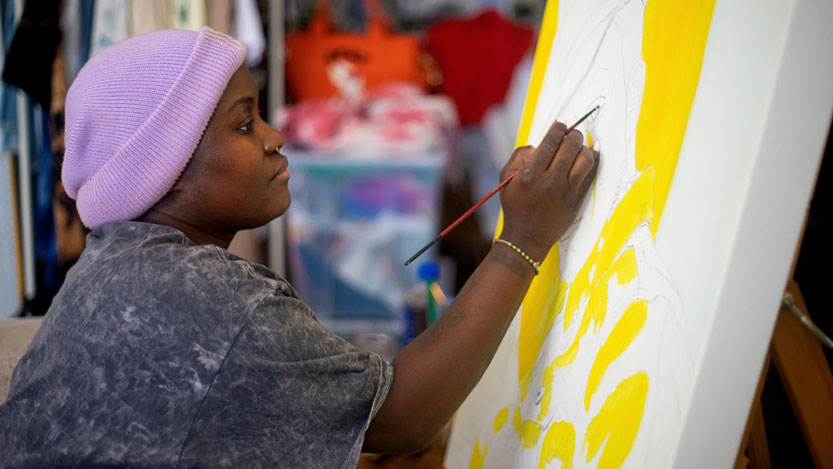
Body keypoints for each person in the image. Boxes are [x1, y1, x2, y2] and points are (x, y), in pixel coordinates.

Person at [0, 27, 599, 467]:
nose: (275, 136)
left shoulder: (107, 269)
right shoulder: (205, 297)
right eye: (243, 124)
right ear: (166, 170)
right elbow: (406, 418)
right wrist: (523, 238)